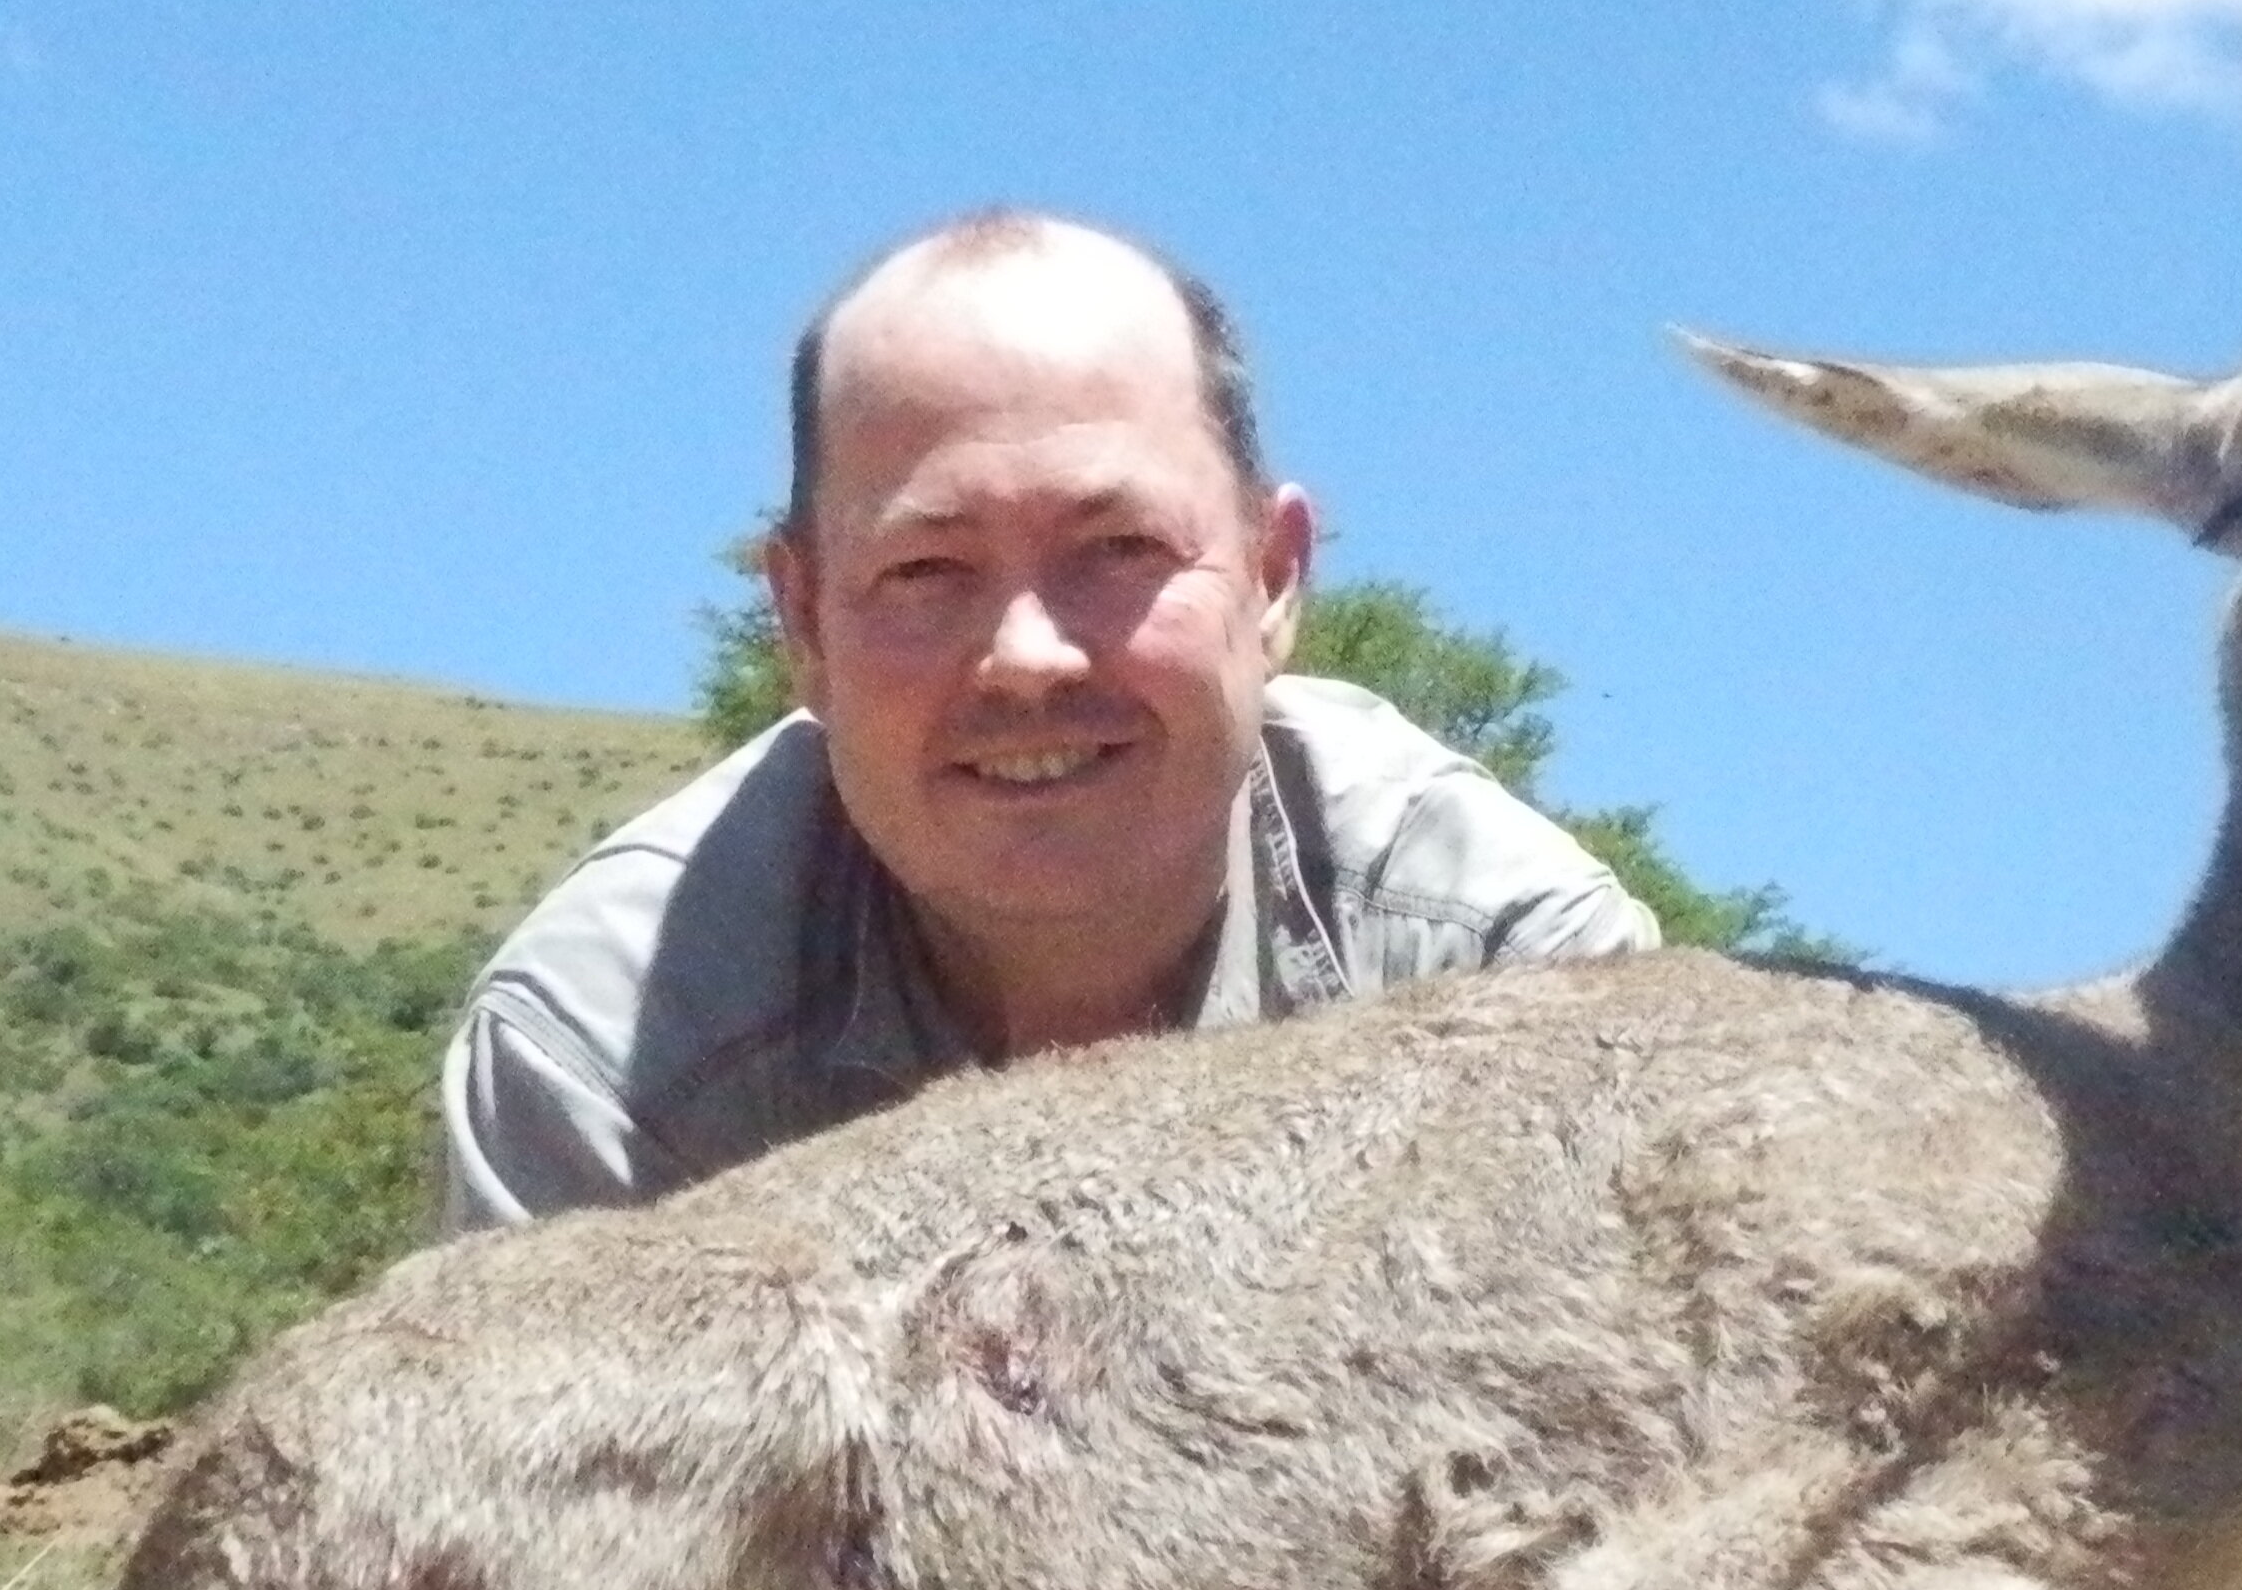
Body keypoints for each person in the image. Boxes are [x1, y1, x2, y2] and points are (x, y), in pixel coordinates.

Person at [440, 210, 1659, 1232]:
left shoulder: (1520, 980)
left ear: (1274, 574)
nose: (1026, 659)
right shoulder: (603, 1048)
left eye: (1119, 549)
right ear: (802, 622)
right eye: (926, 570)